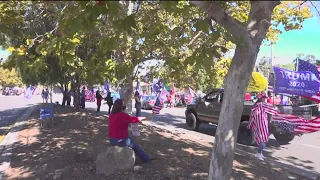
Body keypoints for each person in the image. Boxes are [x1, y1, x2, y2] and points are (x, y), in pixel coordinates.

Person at [108, 99, 153, 163]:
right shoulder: (122, 115)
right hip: (120, 140)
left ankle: (144, 157)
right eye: (123, 104)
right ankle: (146, 159)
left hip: (112, 139)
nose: (124, 105)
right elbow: (134, 119)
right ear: (120, 106)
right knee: (135, 146)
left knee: (131, 140)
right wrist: (146, 117)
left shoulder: (111, 115)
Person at [248, 93, 278, 161]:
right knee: (263, 140)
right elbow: (273, 109)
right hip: (262, 124)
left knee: (261, 139)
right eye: (264, 98)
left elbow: (252, 117)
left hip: (258, 124)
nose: (265, 99)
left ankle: (260, 153)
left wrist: (251, 124)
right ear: (261, 98)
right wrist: (274, 107)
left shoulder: (255, 105)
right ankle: (258, 153)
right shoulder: (262, 105)